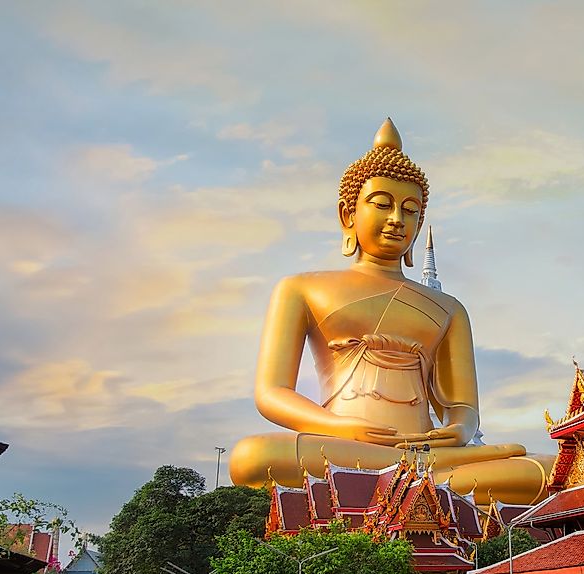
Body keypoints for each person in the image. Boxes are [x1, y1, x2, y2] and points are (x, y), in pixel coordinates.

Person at [227, 118, 552, 505]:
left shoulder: (450, 309)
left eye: (411, 210)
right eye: (382, 204)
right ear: (348, 215)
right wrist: (339, 428)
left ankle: (411, 477)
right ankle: (414, 480)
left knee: (546, 470)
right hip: (343, 447)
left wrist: (460, 429)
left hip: (429, 453)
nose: (398, 219)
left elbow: (461, 407)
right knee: (251, 458)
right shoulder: (301, 288)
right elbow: (272, 393)